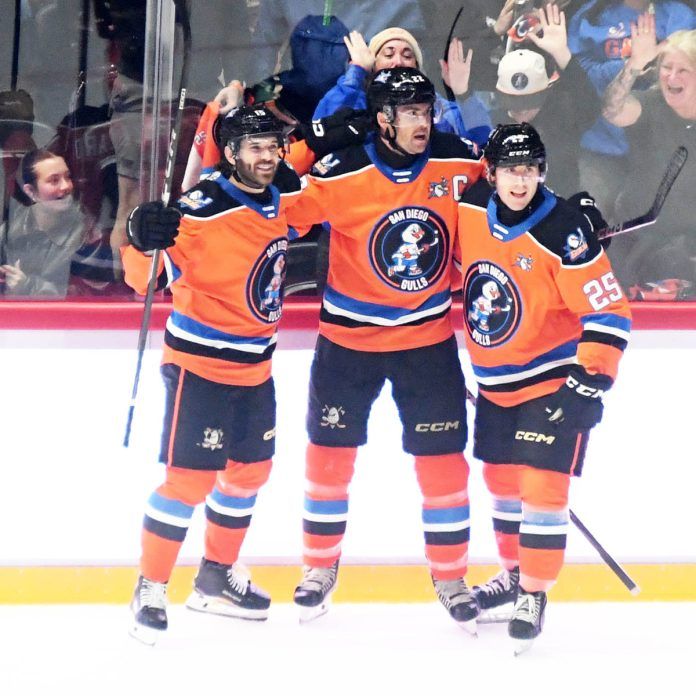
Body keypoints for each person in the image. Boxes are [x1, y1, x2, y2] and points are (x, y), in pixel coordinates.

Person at [283, 67, 485, 630]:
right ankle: (318, 568)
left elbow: (515, 191)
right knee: (329, 462)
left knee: (443, 468)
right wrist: (309, 145)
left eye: (427, 111)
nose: (423, 122)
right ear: (383, 119)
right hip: (348, 343)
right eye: (411, 113)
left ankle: (451, 576)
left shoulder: (458, 162)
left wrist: (569, 215)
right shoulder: (342, 171)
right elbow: (271, 209)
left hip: (428, 342)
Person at [122, 105, 313, 645]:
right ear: (229, 154)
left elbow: (314, 192)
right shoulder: (198, 211)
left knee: (249, 472)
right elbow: (143, 280)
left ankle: (215, 577)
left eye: (273, 147)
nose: (268, 156)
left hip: (256, 367)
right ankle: (151, 586)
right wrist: (140, 237)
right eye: (256, 147)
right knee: (189, 481)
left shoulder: (280, 196)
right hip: (200, 368)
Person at [456, 122, 631, 653]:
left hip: (551, 381)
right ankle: (514, 576)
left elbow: (609, 311)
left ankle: (533, 593)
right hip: (494, 383)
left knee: (542, 492)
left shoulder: (564, 230)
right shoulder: (470, 205)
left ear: (542, 172)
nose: (519, 181)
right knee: (503, 484)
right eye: (510, 170)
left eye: (529, 170)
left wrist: (590, 380)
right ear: (491, 173)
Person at [567, 0, 695, 220]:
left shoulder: (679, 15)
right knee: (591, 221)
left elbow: (682, 69)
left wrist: (653, 66)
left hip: (659, 148)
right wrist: (633, 64)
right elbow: (580, 76)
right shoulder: (591, 14)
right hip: (604, 145)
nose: (673, 74)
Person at [602, 26, 696, 298]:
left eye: (683, 70)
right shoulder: (650, 105)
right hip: (637, 241)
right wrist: (634, 65)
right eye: (666, 67)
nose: (672, 77)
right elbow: (612, 110)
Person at [313, 26, 492, 146]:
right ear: (373, 65)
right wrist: (356, 72)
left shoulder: (437, 107)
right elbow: (322, 134)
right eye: (388, 55)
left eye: (407, 56)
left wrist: (464, 96)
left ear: (417, 67)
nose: (398, 62)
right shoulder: (355, 99)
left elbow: (481, 143)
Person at [490, 3, 600, 195]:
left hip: (558, 205)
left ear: (545, 93)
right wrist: (493, 34)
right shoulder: (492, 124)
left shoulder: (562, 115)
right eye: (514, 104)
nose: (522, 111)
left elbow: (590, 106)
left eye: (529, 102)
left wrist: (561, 53)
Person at [0, 149, 85, 297]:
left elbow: (80, 293)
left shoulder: (86, 231)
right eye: (54, 180)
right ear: (30, 191)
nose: (66, 186)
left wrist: (27, 286)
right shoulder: (9, 230)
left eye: (68, 177)